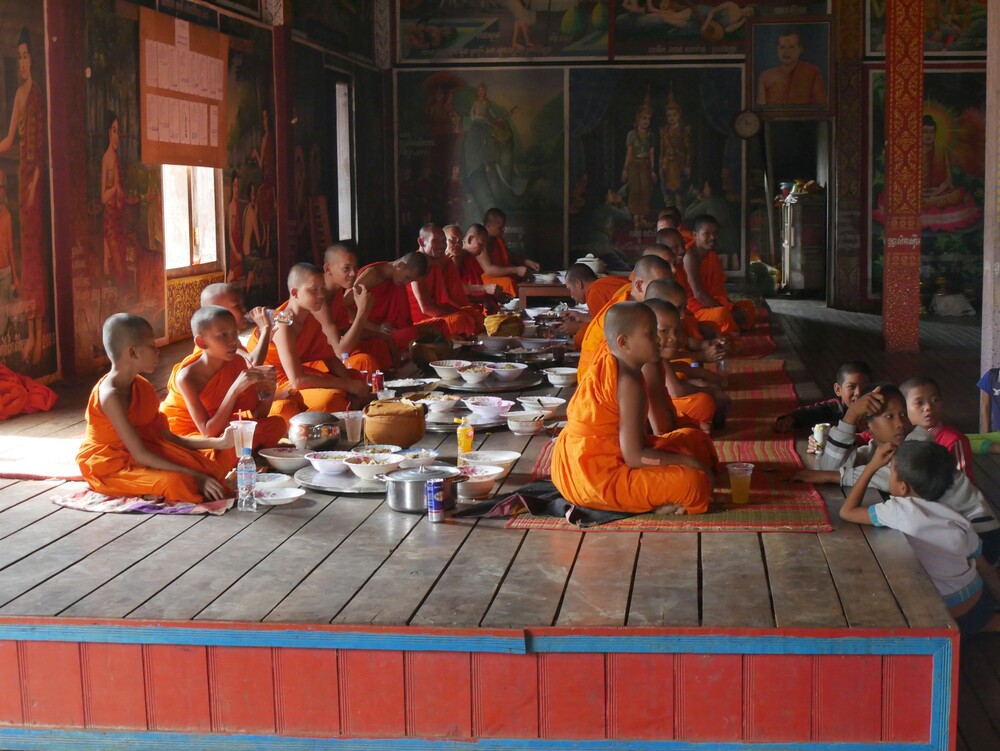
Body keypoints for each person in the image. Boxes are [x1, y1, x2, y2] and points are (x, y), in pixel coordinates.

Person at [551, 301, 716, 515]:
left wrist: (686, 457)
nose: (660, 340)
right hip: (594, 478)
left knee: (694, 440)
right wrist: (691, 463)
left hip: (581, 463)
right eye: (651, 334)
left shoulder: (621, 365)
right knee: (693, 483)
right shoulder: (629, 383)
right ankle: (655, 506)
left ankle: (657, 499)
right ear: (624, 343)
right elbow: (635, 457)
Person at [839, 441, 1000, 638]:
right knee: (972, 617)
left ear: (902, 487)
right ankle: (985, 624)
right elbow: (985, 568)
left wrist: (872, 467)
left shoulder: (899, 510)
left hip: (942, 614)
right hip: (978, 605)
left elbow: (847, 511)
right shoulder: (957, 518)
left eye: (890, 471)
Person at [76, 314, 232, 504]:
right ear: (133, 353)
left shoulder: (142, 386)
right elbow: (139, 454)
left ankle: (155, 487)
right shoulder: (111, 396)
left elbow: (165, 436)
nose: (158, 353)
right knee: (179, 482)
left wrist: (219, 443)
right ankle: (144, 490)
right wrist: (196, 476)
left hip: (147, 452)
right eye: (152, 346)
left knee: (209, 465)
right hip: (110, 466)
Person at [159, 306, 285, 469]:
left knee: (277, 425)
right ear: (201, 342)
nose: (232, 341)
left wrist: (268, 391)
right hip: (186, 433)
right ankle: (237, 456)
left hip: (220, 426)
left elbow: (258, 415)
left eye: (234, 333)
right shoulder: (187, 377)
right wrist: (234, 390)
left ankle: (240, 454)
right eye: (223, 335)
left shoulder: (236, 362)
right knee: (226, 450)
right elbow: (207, 432)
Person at [248, 263, 371, 422]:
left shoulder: (309, 318)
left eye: (322, 289)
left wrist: (350, 383)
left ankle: (347, 403)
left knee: (355, 376)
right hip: (275, 385)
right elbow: (297, 381)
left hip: (296, 377)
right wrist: (347, 386)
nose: (321, 295)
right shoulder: (282, 324)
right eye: (314, 290)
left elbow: (331, 359)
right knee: (331, 400)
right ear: (295, 293)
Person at [0, 27, 48, 365]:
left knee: (36, 256)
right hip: (21, 184)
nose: (22, 62)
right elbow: (8, 142)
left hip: (35, 182)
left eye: (25, 55)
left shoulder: (38, 95)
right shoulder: (19, 96)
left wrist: (34, 183)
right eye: (18, 57)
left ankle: (37, 335)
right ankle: (32, 335)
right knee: (26, 254)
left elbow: (42, 150)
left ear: (33, 58)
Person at [577, 254, 674, 377]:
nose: (665, 291)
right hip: (598, 375)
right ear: (639, 285)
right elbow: (644, 357)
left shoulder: (634, 297)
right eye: (658, 285)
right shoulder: (630, 312)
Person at [646, 298, 724, 433]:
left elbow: (664, 406)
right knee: (704, 404)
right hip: (621, 442)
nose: (674, 338)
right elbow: (660, 432)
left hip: (651, 421)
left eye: (677, 331)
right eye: (663, 331)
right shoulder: (647, 362)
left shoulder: (656, 353)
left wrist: (690, 424)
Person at [313, 241, 392, 372]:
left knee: (379, 346)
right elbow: (340, 351)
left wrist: (379, 334)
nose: (354, 274)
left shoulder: (337, 289)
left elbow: (343, 329)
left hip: (331, 352)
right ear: (328, 269)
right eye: (346, 268)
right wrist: (362, 312)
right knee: (365, 361)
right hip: (310, 359)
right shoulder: (317, 296)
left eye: (355, 267)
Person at [677, 214, 756, 334]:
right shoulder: (689, 257)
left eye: (715, 233)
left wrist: (731, 306)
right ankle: (729, 325)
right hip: (695, 310)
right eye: (706, 234)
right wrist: (728, 311)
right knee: (722, 315)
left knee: (748, 306)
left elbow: (718, 289)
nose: (712, 237)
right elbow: (698, 294)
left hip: (710, 303)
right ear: (695, 235)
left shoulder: (711, 254)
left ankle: (730, 325)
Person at [352, 251, 443, 355]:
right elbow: (344, 308)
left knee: (439, 325)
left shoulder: (394, 279)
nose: (406, 283)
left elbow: (402, 317)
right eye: (407, 277)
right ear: (400, 265)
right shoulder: (373, 275)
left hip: (387, 329)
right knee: (413, 334)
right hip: (365, 331)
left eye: (410, 280)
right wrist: (376, 328)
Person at [406, 223, 483, 338]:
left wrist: (464, 311)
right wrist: (457, 313)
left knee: (474, 315)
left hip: (435, 318)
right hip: (419, 322)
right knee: (460, 319)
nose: (441, 246)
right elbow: (426, 308)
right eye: (436, 241)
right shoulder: (416, 266)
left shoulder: (434, 265)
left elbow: (443, 300)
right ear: (422, 242)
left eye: (443, 241)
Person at [901, 376, 974, 481]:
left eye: (935, 400)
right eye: (919, 403)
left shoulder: (954, 441)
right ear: (904, 408)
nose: (928, 407)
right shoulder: (902, 436)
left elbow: (964, 482)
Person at [774, 360, 873, 433]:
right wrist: (791, 419)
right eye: (851, 387)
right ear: (838, 390)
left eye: (865, 387)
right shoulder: (836, 407)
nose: (859, 392)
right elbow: (811, 412)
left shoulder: (878, 408)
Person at [200, 282, 274, 367]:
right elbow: (253, 364)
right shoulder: (216, 341)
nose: (244, 309)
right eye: (237, 306)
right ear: (217, 312)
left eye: (242, 304)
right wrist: (265, 328)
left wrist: (263, 339)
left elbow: (244, 361)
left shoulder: (231, 335)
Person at [561, 263, 629, 349]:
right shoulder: (604, 284)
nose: (571, 295)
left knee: (580, 339)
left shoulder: (594, 292)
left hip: (627, 333)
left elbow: (603, 330)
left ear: (579, 283)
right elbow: (599, 319)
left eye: (569, 289)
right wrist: (580, 316)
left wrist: (578, 328)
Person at [756, 29, 827, 107]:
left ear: (800, 49)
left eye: (791, 47)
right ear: (777, 49)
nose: (786, 52)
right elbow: (761, 110)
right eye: (782, 47)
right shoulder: (766, 76)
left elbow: (821, 106)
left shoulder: (812, 72)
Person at [477, 207, 538, 296]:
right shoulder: (481, 242)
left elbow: (509, 255)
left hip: (500, 276)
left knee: (525, 279)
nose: (503, 230)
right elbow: (489, 270)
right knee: (509, 282)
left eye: (503, 227)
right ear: (488, 225)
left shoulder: (498, 240)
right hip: (486, 280)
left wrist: (527, 262)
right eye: (500, 228)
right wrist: (516, 270)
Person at [447, 223, 507, 313]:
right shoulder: (455, 258)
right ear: (469, 239)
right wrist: (485, 291)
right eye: (481, 245)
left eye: (459, 241)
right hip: (461, 309)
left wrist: (493, 296)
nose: (482, 250)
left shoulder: (470, 258)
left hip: (474, 305)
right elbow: (456, 291)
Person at [621, 94, 656, 230]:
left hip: (646, 165)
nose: (646, 121)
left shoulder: (651, 136)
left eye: (648, 119)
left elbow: (652, 153)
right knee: (635, 190)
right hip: (634, 165)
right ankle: (636, 219)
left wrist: (652, 170)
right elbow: (629, 152)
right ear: (638, 119)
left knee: (646, 190)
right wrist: (625, 169)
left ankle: (642, 219)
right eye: (643, 118)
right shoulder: (631, 135)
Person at [658, 89, 691, 213]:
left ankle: (680, 218)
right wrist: (661, 165)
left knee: (679, 194)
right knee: (667, 195)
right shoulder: (664, 131)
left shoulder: (684, 130)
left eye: (674, 115)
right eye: (669, 115)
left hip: (679, 164)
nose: (671, 118)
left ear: (679, 114)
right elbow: (662, 149)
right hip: (667, 164)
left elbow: (688, 149)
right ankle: (669, 218)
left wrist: (688, 165)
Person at [250, 107, 275, 256]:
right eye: (263, 119)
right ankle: (264, 235)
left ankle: (267, 236)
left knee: (264, 197)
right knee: (260, 199)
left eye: (267, 118)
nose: (265, 122)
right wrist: (257, 155)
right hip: (265, 176)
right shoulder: (264, 138)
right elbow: (261, 165)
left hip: (270, 178)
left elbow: (271, 163)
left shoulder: (271, 138)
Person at [0, 170, 16, 338]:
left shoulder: (7, 215)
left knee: (3, 320)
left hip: (5, 273)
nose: (1, 190)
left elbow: (10, 246)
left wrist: (15, 277)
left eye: (2, 186)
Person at [970, 363, 1000, 454]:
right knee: (961, 439)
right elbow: (985, 407)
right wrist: (986, 436)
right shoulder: (992, 376)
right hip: (998, 433)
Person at [227, 171, 243, 284]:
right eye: (234, 185)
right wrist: (236, 253)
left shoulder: (238, 204)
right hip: (234, 251)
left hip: (239, 247)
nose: (237, 189)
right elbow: (230, 235)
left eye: (238, 186)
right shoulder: (232, 206)